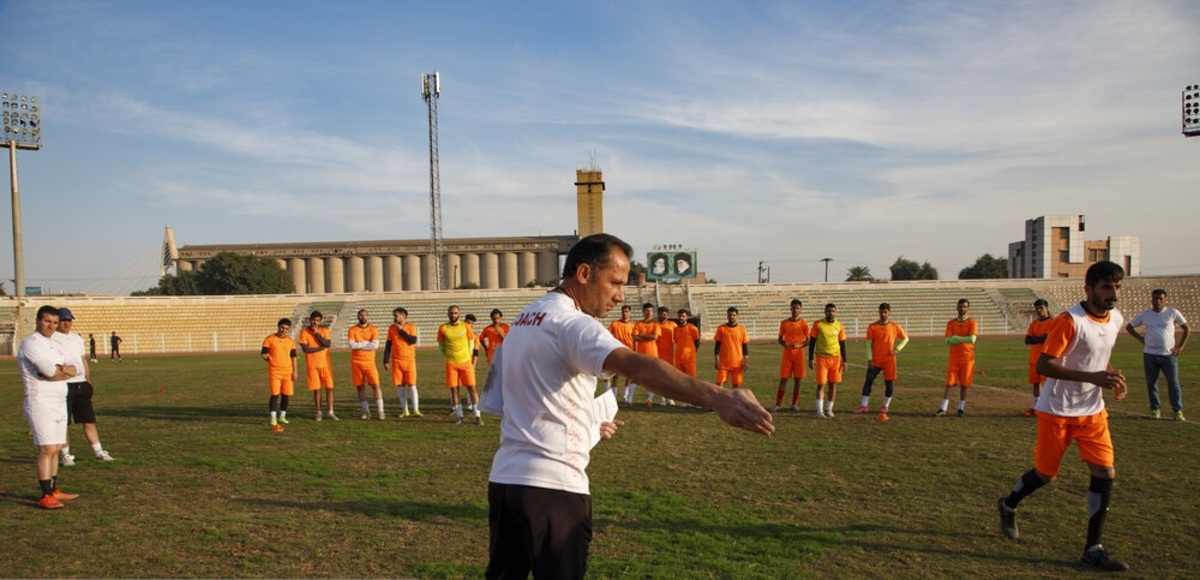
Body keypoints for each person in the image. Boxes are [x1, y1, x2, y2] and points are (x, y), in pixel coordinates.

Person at [484, 233, 773, 579]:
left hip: (506, 481)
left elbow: (520, 400)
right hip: (554, 488)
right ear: (585, 274)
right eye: (616, 282)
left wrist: (588, 427)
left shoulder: (525, 319)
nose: (620, 295)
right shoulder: (574, 324)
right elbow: (635, 366)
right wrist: (717, 396)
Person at [997, 261, 1130, 572]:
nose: (1113, 294)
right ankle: (1008, 504)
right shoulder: (1070, 321)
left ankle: (1093, 548)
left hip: (1093, 412)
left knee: (1105, 473)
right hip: (1057, 410)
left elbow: (1099, 358)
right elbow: (1044, 366)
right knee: (1045, 474)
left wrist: (1111, 378)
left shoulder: (1116, 319)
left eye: (1117, 287)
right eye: (1106, 287)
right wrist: (1094, 377)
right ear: (1089, 289)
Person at [18, 305, 81, 509]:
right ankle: (45, 495)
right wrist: (62, 371)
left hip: (58, 401)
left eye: (54, 322)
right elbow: (49, 372)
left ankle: (53, 489)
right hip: (40, 402)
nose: (51, 326)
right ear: (38, 321)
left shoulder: (55, 343)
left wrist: (60, 370)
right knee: (47, 449)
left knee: (56, 448)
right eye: (47, 321)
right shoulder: (31, 343)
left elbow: (76, 366)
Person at [53, 308, 115, 466]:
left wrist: (88, 379)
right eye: (63, 320)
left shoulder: (76, 338)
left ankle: (98, 451)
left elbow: (82, 359)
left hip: (80, 383)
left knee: (88, 420)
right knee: (64, 422)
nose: (67, 323)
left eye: (69, 320)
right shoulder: (52, 338)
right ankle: (65, 454)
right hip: (63, 384)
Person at [1125, 288, 1190, 421]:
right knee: (1152, 383)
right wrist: (1140, 339)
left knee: (1173, 383)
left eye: (1160, 299)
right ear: (1151, 299)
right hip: (1150, 354)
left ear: (1165, 300)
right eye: (1155, 298)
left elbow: (1186, 328)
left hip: (1168, 355)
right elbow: (1129, 327)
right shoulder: (1146, 314)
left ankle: (1177, 411)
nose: (1157, 301)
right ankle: (1155, 409)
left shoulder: (1172, 313)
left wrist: (1180, 346)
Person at [855, 303, 908, 418]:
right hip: (876, 360)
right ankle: (864, 406)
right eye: (881, 312)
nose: (883, 314)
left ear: (889, 312)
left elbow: (905, 338)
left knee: (889, 383)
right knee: (868, 381)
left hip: (889, 360)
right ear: (878, 312)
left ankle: (885, 406)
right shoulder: (872, 327)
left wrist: (897, 349)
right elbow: (868, 344)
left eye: (885, 312)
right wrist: (870, 359)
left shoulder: (894, 326)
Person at [438, 305, 482, 425]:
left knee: (472, 388)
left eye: (455, 313)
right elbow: (441, 346)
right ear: (448, 314)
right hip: (451, 364)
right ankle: (459, 416)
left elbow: (471, 343)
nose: (453, 315)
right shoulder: (443, 328)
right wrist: (449, 355)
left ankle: (477, 415)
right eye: (451, 313)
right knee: (454, 390)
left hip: (465, 363)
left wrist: (466, 356)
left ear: (459, 314)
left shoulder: (466, 326)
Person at [935, 299, 977, 417]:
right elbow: (947, 340)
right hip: (954, 358)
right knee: (949, 383)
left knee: (964, 385)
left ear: (968, 308)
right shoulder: (951, 323)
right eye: (960, 306)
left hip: (968, 359)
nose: (962, 309)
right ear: (957, 308)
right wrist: (964, 338)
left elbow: (972, 339)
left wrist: (956, 338)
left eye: (964, 307)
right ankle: (943, 408)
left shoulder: (972, 323)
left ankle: (960, 409)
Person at [808, 303, 847, 418]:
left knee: (833, 384)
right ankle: (819, 411)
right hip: (821, 358)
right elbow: (812, 342)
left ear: (836, 312)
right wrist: (811, 358)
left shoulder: (839, 326)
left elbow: (842, 343)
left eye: (833, 311)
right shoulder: (818, 324)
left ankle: (829, 409)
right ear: (825, 312)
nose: (831, 313)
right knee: (821, 384)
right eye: (829, 311)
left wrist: (845, 360)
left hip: (836, 359)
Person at [298, 310, 337, 421]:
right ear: (310, 320)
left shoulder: (324, 331)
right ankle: (318, 412)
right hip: (312, 365)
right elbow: (306, 349)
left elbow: (327, 344)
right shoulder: (304, 332)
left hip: (325, 364)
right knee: (317, 389)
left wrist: (317, 334)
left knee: (329, 388)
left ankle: (330, 411)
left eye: (317, 320)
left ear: (320, 321)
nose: (315, 322)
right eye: (313, 320)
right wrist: (319, 348)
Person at [383, 307, 422, 418]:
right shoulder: (391, 328)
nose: (395, 318)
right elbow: (388, 345)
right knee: (400, 386)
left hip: (409, 360)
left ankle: (416, 410)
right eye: (394, 316)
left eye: (396, 316)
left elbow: (412, 340)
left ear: (404, 316)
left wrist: (400, 330)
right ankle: (405, 410)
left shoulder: (411, 326)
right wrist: (386, 360)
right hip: (396, 361)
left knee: (412, 385)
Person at [348, 309, 384, 420]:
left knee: (376, 386)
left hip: (370, 362)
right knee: (360, 387)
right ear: (358, 316)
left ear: (367, 316)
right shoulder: (352, 330)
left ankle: (381, 412)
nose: (363, 317)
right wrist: (367, 343)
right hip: (356, 362)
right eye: (361, 315)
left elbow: (375, 345)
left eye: (365, 315)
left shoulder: (373, 329)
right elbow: (352, 345)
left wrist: (360, 344)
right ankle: (366, 411)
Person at [262, 318, 297, 430]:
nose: (283, 330)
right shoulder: (270, 339)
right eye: (282, 328)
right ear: (278, 327)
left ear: (288, 330)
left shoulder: (291, 341)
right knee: (275, 394)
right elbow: (263, 354)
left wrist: (295, 371)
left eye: (286, 329)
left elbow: (294, 357)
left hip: (288, 371)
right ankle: (273, 418)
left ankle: (282, 416)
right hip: (275, 371)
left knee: (286, 394)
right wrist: (272, 361)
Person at [775, 299, 809, 412]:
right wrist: (785, 343)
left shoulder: (804, 324)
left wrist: (799, 345)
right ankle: (778, 404)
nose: (795, 310)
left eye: (797, 308)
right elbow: (780, 339)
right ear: (790, 309)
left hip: (799, 355)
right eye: (793, 308)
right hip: (787, 354)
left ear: (801, 309)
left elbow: (808, 340)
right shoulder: (784, 323)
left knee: (798, 380)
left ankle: (794, 404)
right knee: (783, 379)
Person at [1023, 299, 1054, 417]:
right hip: (1034, 358)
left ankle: (1047, 407)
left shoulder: (1052, 322)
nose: (1039, 311)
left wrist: (1035, 338)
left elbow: (1046, 338)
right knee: (1035, 384)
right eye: (1037, 309)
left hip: (1046, 358)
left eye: (1041, 308)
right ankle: (1036, 407)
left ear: (1047, 308)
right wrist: (1039, 338)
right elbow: (1027, 340)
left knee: (1047, 384)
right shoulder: (1034, 324)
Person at [629, 303, 661, 406]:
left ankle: (649, 400)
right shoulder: (638, 324)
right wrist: (649, 336)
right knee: (635, 377)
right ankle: (629, 400)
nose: (649, 313)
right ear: (643, 312)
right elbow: (634, 338)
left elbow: (655, 337)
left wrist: (642, 336)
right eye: (647, 311)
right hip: (640, 354)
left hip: (653, 354)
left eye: (651, 311)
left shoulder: (656, 324)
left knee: (652, 378)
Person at [713, 307, 749, 388]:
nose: (731, 317)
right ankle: (720, 401)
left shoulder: (742, 329)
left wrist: (746, 361)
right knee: (719, 385)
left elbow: (745, 347)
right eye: (730, 315)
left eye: (733, 315)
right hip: (723, 363)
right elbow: (717, 346)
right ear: (727, 316)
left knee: (735, 386)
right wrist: (716, 359)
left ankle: (733, 401)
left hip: (737, 363)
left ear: (737, 316)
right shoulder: (721, 328)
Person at [608, 305, 635, 403]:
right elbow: (607, 334)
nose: (625, 313)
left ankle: (625, 394)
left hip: (629, 352)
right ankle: (613, 397)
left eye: (627, 311)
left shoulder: (633, 325)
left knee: (629, 375)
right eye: (623, 311)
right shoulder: (615, 324)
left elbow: (635, 339)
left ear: (630, 313)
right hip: (618, 352)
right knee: (616, 375)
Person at [651, 306, 678, 406]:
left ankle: (670, 398)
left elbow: (678, 338)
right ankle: (662, 398)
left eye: (664, 313)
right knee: (659, 378)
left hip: (670, 355)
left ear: (667, 314)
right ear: (657, 314)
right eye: (660, 313)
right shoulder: (654, 324)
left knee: (670, 378)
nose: (662, 315)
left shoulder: (673, 325)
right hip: (657, 354)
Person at [673, 309, 700, 379]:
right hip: (679, 358)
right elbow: (677, 342)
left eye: (683, 316)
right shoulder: (676, 330)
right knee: (680, 379)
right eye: (679, 316)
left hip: (689, 358)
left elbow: (697, 342)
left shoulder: (693, 328)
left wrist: (692, 352)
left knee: (692, 379)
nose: (681, 318)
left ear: (686, 317)